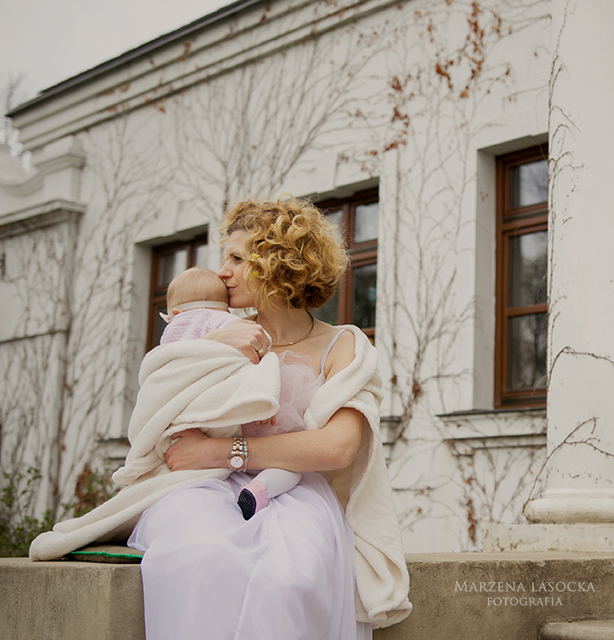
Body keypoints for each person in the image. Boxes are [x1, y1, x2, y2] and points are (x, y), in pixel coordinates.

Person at [128, 196, 411, 639]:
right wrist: (215, 345)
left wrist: (219, 451)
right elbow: (160, 399)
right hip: (205, 488)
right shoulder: (218, 335)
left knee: (288, 578)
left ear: (280, 264)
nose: (223, 272)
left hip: (298, 495)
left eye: (238, 259)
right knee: (198, 557)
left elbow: (337, 447)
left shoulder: (343, 346)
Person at [158, 266, 302, 520]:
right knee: (292, 469)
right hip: (222, 409)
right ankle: (259, 489)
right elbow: (261, 360)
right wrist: (264, 399)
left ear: (175, 313)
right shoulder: (229, 324)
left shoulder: (170, 332)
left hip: (183, 416)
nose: (225, 270)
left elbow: (165, 369)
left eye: (236, 258)